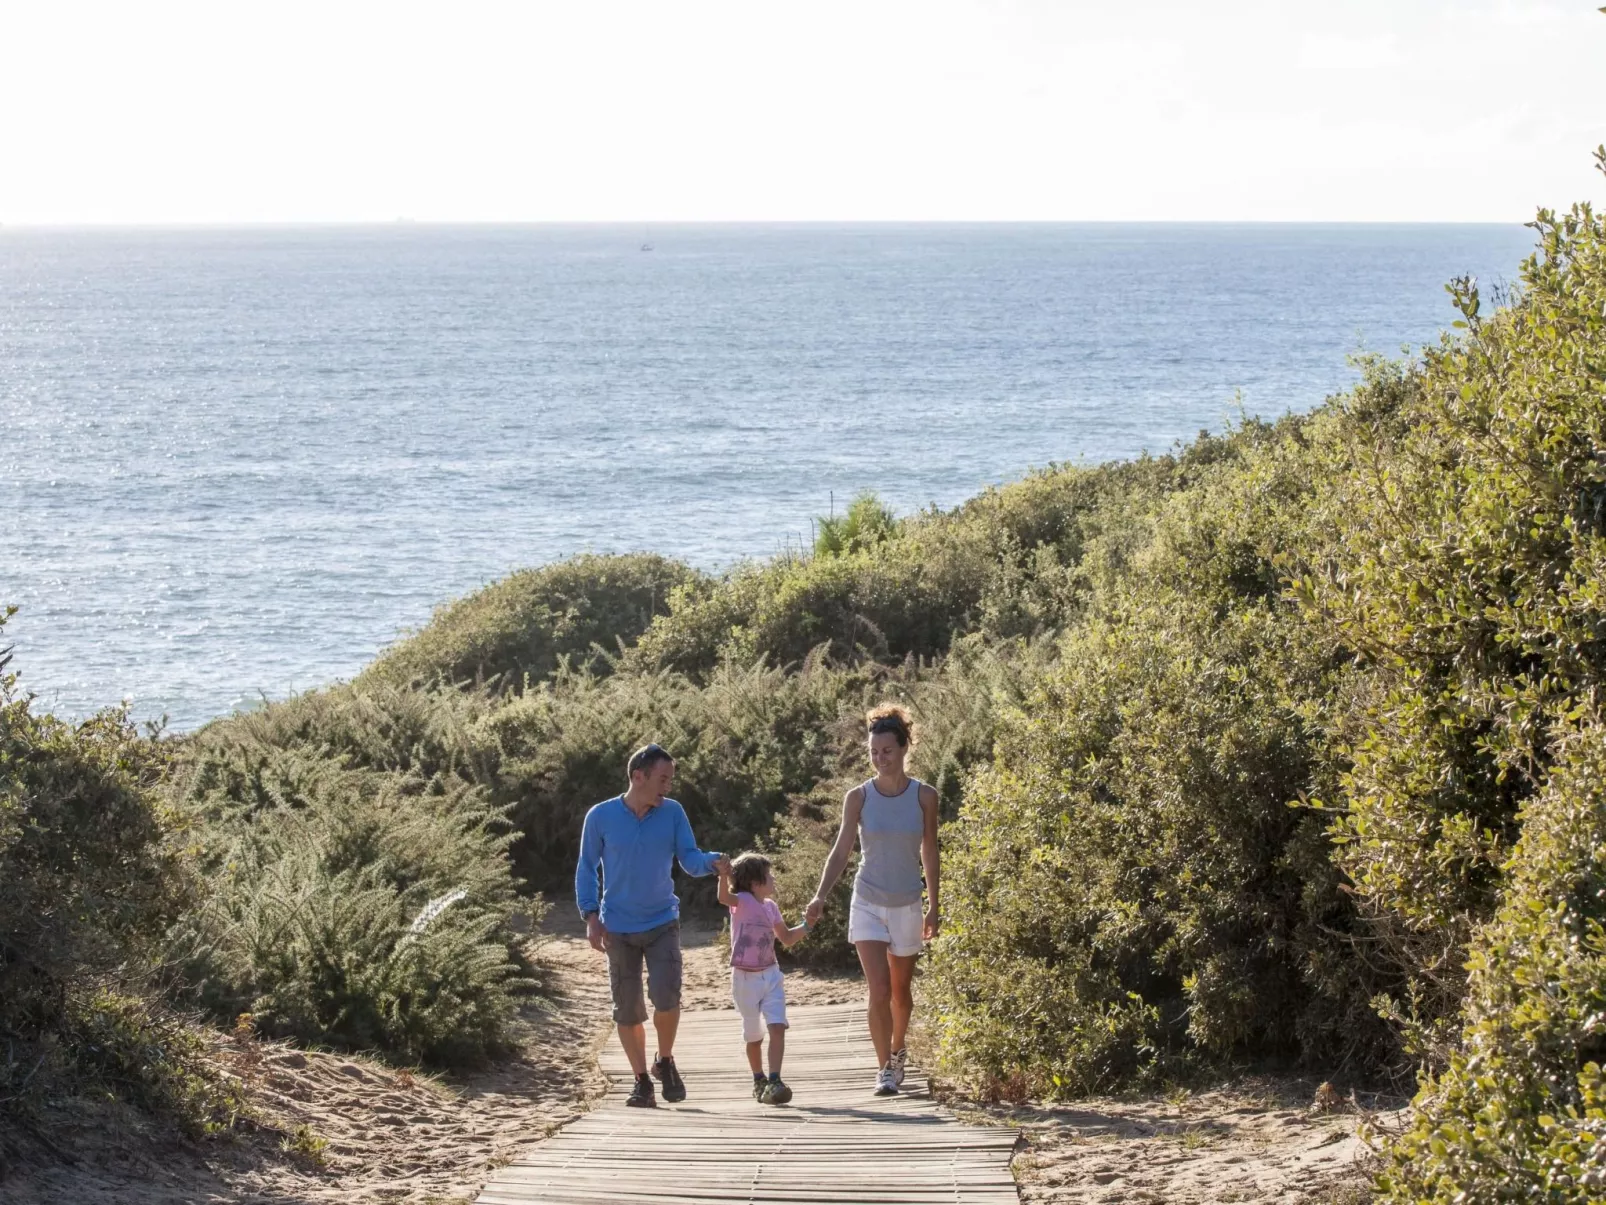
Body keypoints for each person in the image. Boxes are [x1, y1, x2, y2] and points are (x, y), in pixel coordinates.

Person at [576, 742, 731, 1108]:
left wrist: (713, 862)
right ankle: (641, 1081)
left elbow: (689, 858)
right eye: (663, 779)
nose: (668, 786)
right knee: (627, 1009)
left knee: (667, 997)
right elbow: (586, 867)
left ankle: (665, 1060)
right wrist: (590, 916)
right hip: (617, 928)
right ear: (638, 777)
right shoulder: (600, 816)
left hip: (662, 921)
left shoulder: (673, 812)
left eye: (671, 780)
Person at [805, 704, 940, 1097]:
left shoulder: (925, 796)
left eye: (887, 751)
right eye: (874, 752)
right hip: (866, 900)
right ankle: (883, 1069)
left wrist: (934, 905)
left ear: (904, 748)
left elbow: (930, 851)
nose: (880, 759)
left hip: (908, 903)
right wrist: (820, 895)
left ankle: (898, 1050)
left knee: (901, 992)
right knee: (878, 990)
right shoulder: (858, 797)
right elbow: (841, 850)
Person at [716, 852, 810, 1105]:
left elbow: (786, 938)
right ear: (755, 883)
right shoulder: (742, 900)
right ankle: (759, 1079)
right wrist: (723, 876)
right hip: (744, 980)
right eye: (769, 875)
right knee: (754, 1036)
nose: (773, 878)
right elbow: (723, 897)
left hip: (771, 975)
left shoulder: (771, 907)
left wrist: (808, 924)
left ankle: (775, 1079)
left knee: (777, 1026)